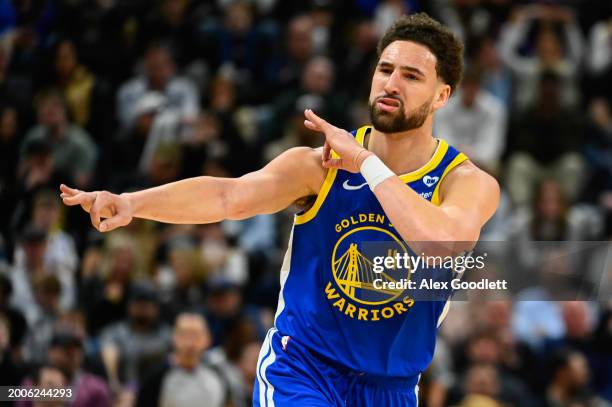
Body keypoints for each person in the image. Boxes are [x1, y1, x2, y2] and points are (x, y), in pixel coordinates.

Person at [60, 13, 499, 407]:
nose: (391, 83)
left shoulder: (466, 183)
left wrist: (367, 164)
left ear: (442, 96)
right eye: (384, 69)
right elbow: (228, 197)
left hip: (393, 388)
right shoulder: (318, 166)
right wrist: (133, 203)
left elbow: (440, 246)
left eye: (410, 76)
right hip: (304, 369)